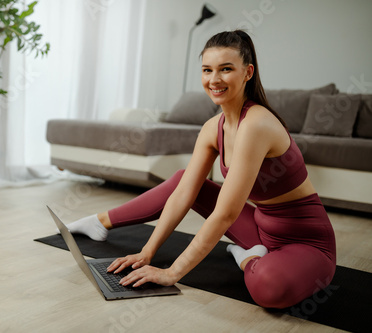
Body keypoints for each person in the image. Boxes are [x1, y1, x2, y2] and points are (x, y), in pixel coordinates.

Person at [64, 30, 336, 309]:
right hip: (260, 227)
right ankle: (99, 221)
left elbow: (226, 213)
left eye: (226, 69)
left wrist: (173, 273)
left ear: (247, 72)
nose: (214, 79)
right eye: (207, 70)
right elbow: (184, 195)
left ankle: (247, 257)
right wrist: (147, 252)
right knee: (184, 181)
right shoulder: (212, 128)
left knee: (269, 289)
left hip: (306, 241)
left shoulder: (256, 125)